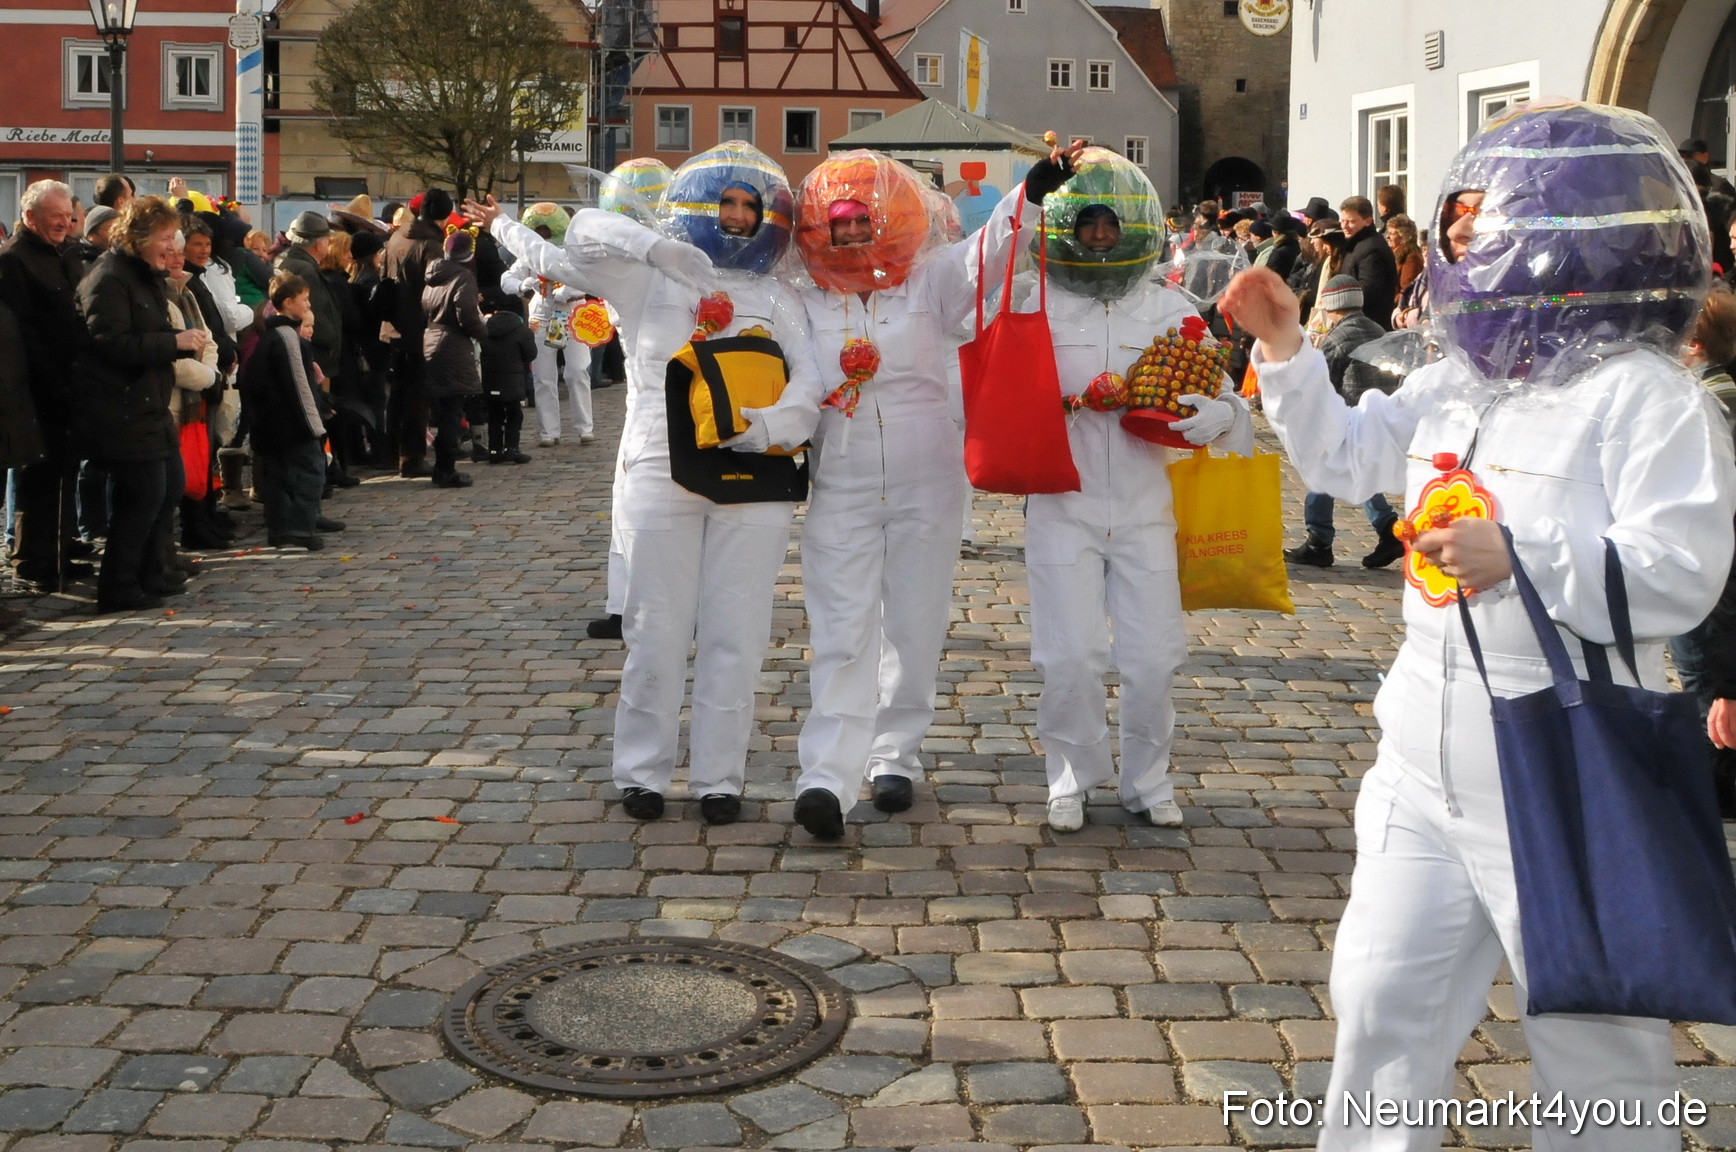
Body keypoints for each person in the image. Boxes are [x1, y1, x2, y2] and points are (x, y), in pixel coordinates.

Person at [1225, 99, 1733, 1152]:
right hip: (1418, 755)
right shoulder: (1458, 377)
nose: (1460, 242)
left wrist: (1526, 559)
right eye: (1455, 222)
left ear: (1568, 230)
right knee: (1375, 1007)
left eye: (1479, 221)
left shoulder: (1646, 399)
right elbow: (1349, 460)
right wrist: (1282, 348)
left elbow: (1681, 574)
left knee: (1594, 1054)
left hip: (1563, 760)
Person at [464, 140, 826, 826]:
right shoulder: (649, 281)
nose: (738, 217)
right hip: (661, 475)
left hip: (754, 476)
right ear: (695, 204)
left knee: (736, 636)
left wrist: (778, 421)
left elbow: (809, 374)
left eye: (751, 206)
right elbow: (582, 232)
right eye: (726, 201)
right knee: (655, 631)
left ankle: (720, 778)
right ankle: (643, 771)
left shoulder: (778, 294)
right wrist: (657, 250)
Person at [785, 143, 1077, 839]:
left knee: (913, 625)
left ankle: (896, 756)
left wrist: (1032, 192)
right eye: (840, 222)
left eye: (865, 220)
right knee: (840, 630)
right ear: (820, 229)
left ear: (895, 219)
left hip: (927, 476)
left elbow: (991, 253)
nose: (853, 234)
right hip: (843, 480)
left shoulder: (929, 282)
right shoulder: (804, 300)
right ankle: (825, 774)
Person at [1018, 148, 1252, 832]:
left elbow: (1223, 394)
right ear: (1069, 230)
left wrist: (1218, 415)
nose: (1099, 236)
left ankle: (1148, 779)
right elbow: (1005, 394)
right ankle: (1070, 776)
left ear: (1136, 231)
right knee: (1069, 657)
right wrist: (1073, 400)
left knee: (1153, 658)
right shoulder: (1040, 303)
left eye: (1111, 226)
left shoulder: (1169, 307)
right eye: (1088, 224)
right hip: (1064, 504)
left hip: (1149, 508)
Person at [74, 196, 208, 611]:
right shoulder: (108, 277)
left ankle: (153, 572)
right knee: (142, 495)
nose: (172, 245)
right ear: (139, 238)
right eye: (165, 237)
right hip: (120, 404)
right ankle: (118, 586)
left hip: (148, 400)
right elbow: (110, 342)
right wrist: (175, 343)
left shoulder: (143, 275)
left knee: (166, 488)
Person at [0, 180, 92, 593]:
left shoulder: (69, 252)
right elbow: (25, 332)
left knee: (64, 472)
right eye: (55, 215)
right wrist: (55, 383)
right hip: (36, 389)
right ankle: (32, 559)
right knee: (37, 477)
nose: (65, 222)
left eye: (68, 214)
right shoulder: (13, 260)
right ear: (30, 216)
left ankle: (60, 547)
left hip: (73, 383)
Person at [1283, 275, 1403, 570]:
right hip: (1375, 415)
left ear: (1331, 305)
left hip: (1345, 416)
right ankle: (1388, 530)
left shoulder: (1337, 338)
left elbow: (1322, 383)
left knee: (1320, 473)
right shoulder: (1377, 329)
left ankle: (1319, 541)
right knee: (1358, 473)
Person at [241, 274, 334, 550]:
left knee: (278, 478)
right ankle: (300, 529)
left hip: (271, 424)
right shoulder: (287, 338)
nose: (308, 305)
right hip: (290, 425)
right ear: (288, 302)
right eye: (304, 300)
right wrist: (315, 427)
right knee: (307, 474)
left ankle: (282, 529)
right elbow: (299, 387)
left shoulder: (269, 336)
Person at [500, 203, 591, 447]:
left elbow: (588, 278)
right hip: (543, 313)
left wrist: (567, 290)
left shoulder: (573, 250)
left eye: (547, 231)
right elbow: (506, 279)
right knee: (543, 375)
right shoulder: (530, 254)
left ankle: (584, 427)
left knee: (577, 370)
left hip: (571, 311)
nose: (544, 236)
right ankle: (548, 431)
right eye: (539, 231)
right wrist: (524, 285)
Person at [384, 191, 450, 479]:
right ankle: (411, 458)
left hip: (393, 326)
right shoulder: (430, 245)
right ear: (444, 216)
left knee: (397, 395)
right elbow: (436, 290)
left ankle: (389, 452)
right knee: (416, 397)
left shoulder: (396, 237)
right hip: (421, 328)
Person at [421, 230, 487, 489]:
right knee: (452, 409)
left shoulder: (433, 276)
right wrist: (485, 333)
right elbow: (467, 316)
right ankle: (445, 470)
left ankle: (442, 467)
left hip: (431, 338)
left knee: (444, 408)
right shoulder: (463, 278)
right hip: (453, 344)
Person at [479, 293, 535, 463]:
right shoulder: (523, 331)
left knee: (495, 416)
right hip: (513, 382)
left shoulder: (485, 328)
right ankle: (511, 449)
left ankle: (494, 451)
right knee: (514, 414)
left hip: (489, 380)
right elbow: (530, 354)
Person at [1336, 195, 1399, 331]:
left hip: (1369, 327)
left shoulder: (1372, 248)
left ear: (1368, 221)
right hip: (1357, 323)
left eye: (1351, 221)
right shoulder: (1356, 244)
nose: (1345, 226)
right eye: (1342, 221)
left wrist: (1338, 299)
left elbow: (1368, 290)